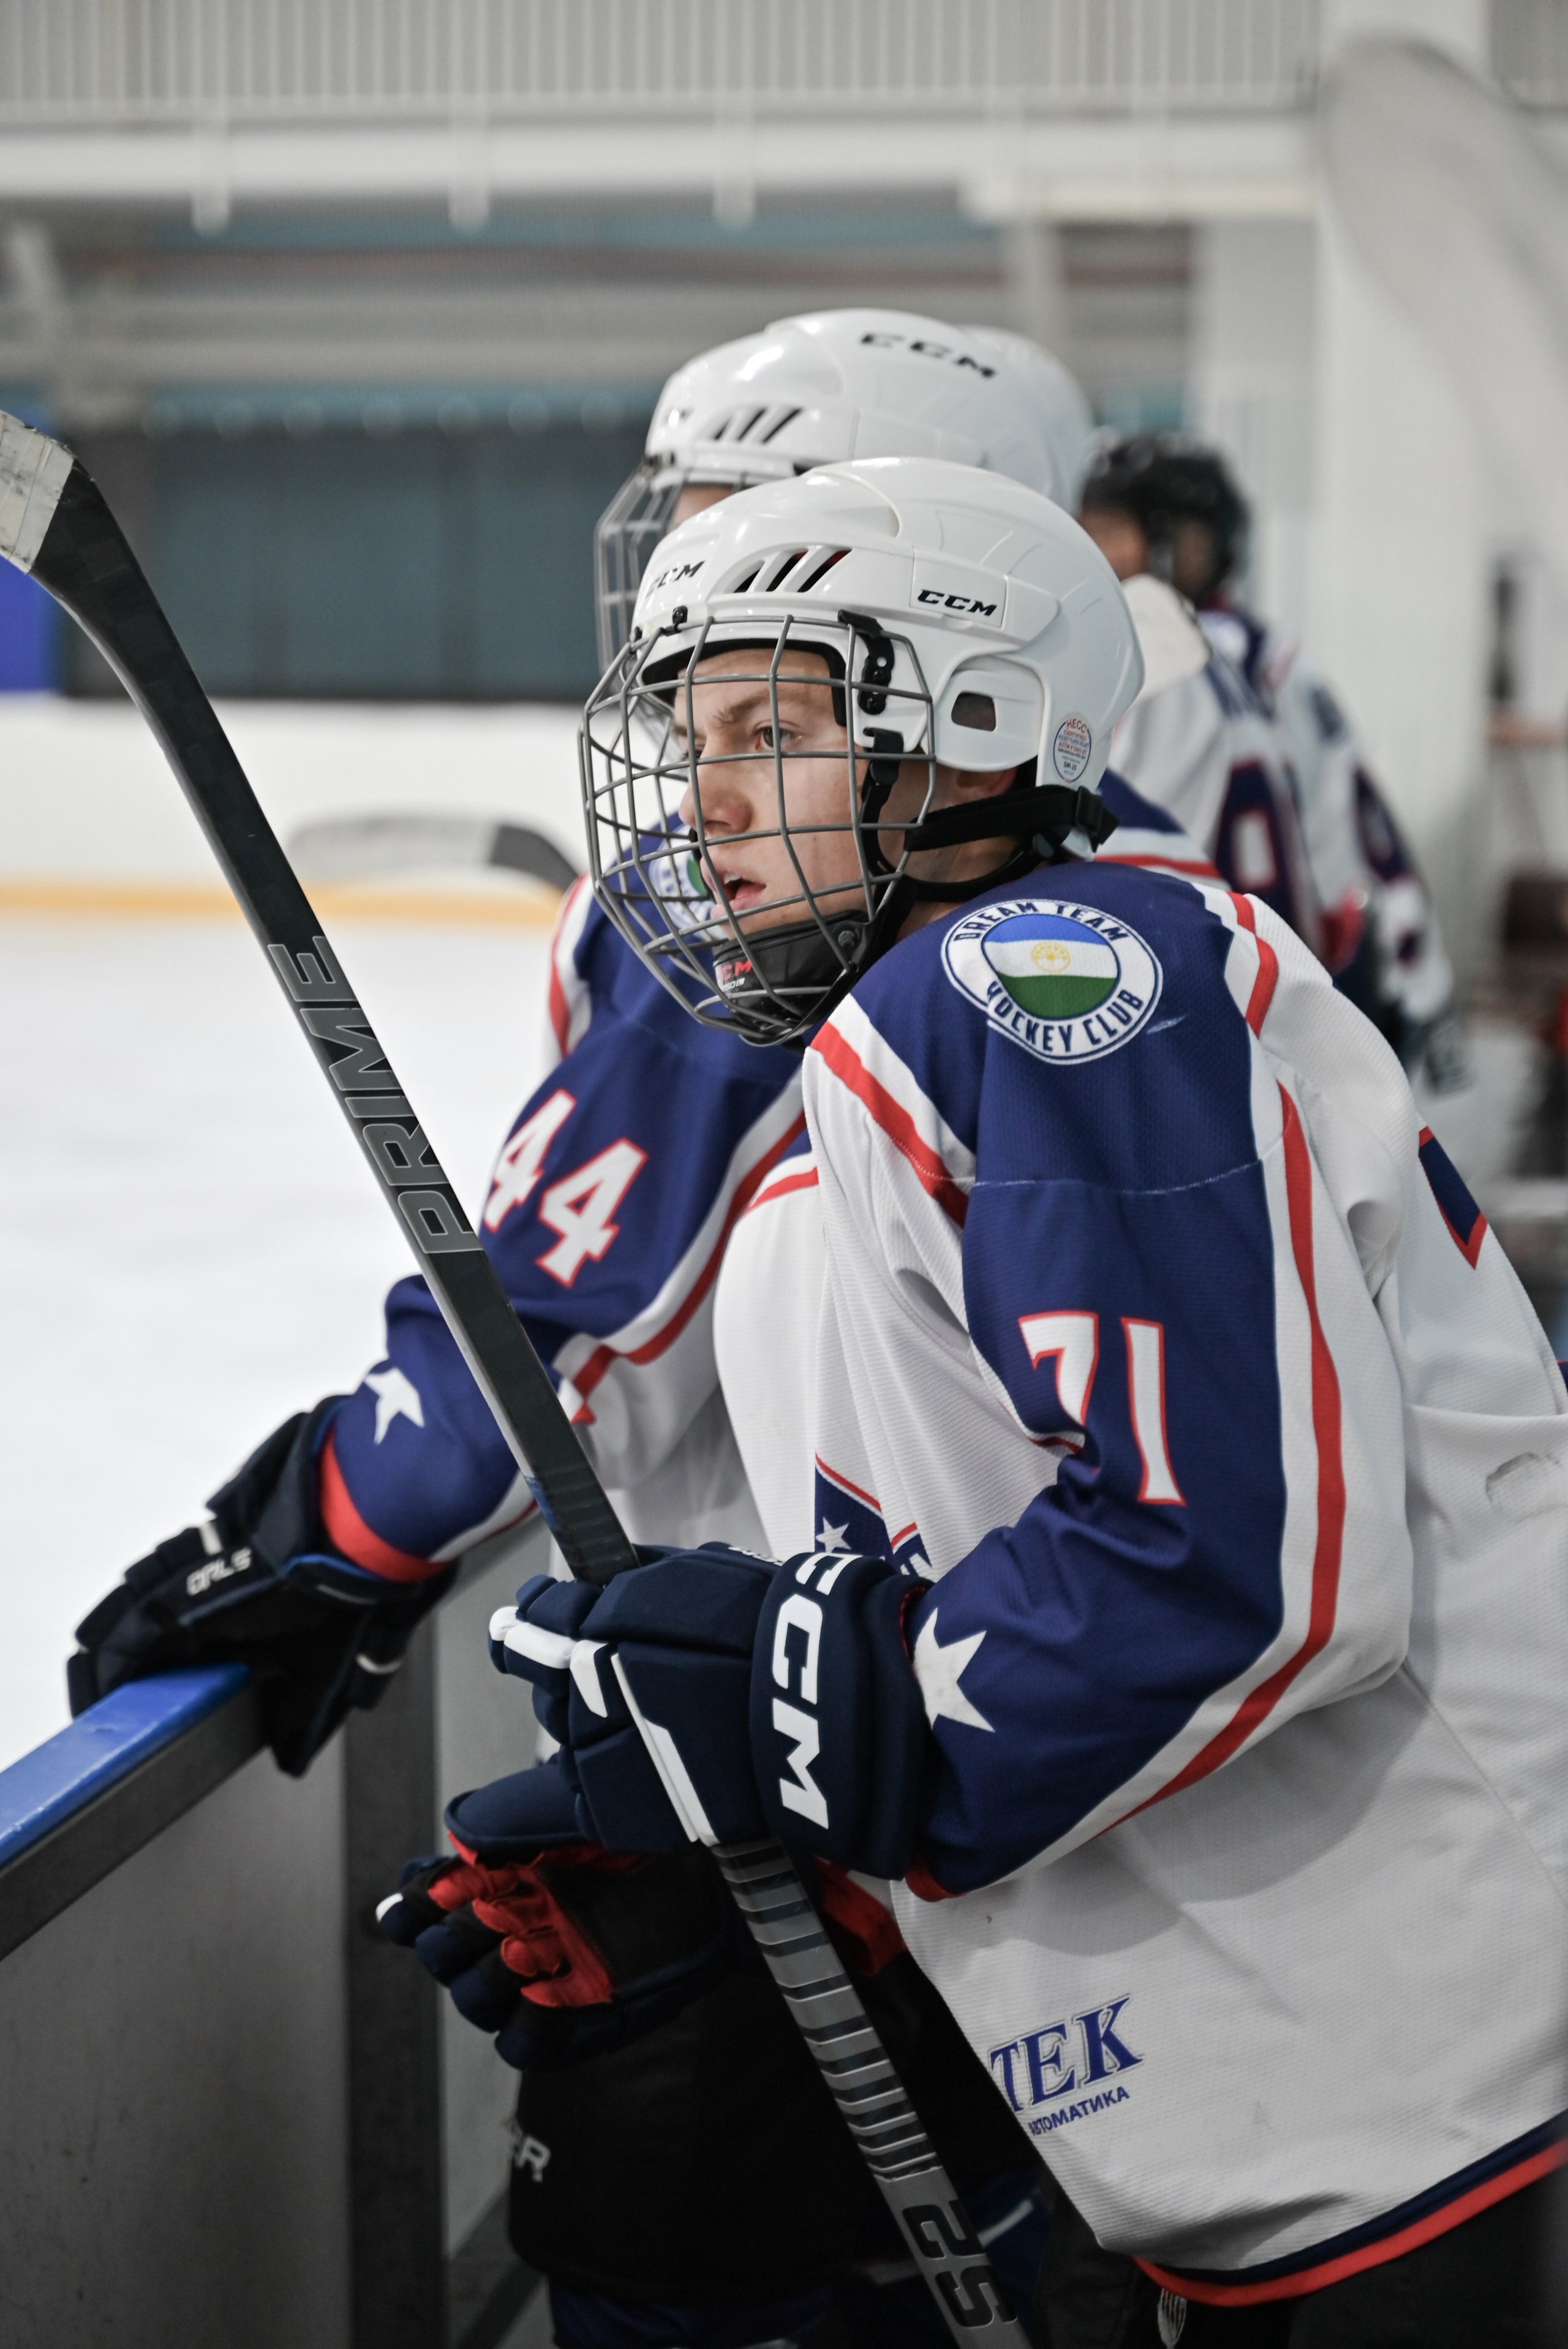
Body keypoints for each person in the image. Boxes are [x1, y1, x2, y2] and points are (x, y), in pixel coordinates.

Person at [77, 309, 1195, 2349]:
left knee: (703, 2264)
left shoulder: (813, 888)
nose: (673, 584)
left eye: (723, 529)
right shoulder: (1111, 879)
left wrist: (324, 1520)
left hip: (801, 1728)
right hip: (986, 1739)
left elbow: (564, 1308)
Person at [454, 456, 1565, 2345]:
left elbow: (1243, 1566)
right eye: (696, 735)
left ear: (962, 727)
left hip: (1444, 2095)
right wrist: (726, 1799)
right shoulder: (932, 1036)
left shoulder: (1044, 983)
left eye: (773, 727)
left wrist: (839, 1726)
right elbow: (995, 1563)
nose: (708, 798)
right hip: (1328, 2110)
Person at [1077, 433, 1464, 1085]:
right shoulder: (1239, 655)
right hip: (1300, 976)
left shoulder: (1157, 656)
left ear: (1190, 545)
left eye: (1113, 532)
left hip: (1228, 993)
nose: (1098, 554)